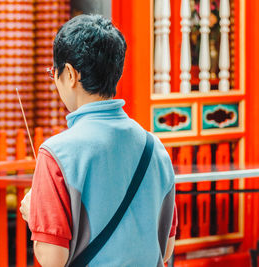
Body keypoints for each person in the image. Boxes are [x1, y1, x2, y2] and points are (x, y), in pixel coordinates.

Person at [20, 14, 177, 267]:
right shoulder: (155, 148)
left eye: (54, 73)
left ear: (69, 74)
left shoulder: (56, 153)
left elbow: (53, 259)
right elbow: (166, 247)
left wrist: (34, 216)